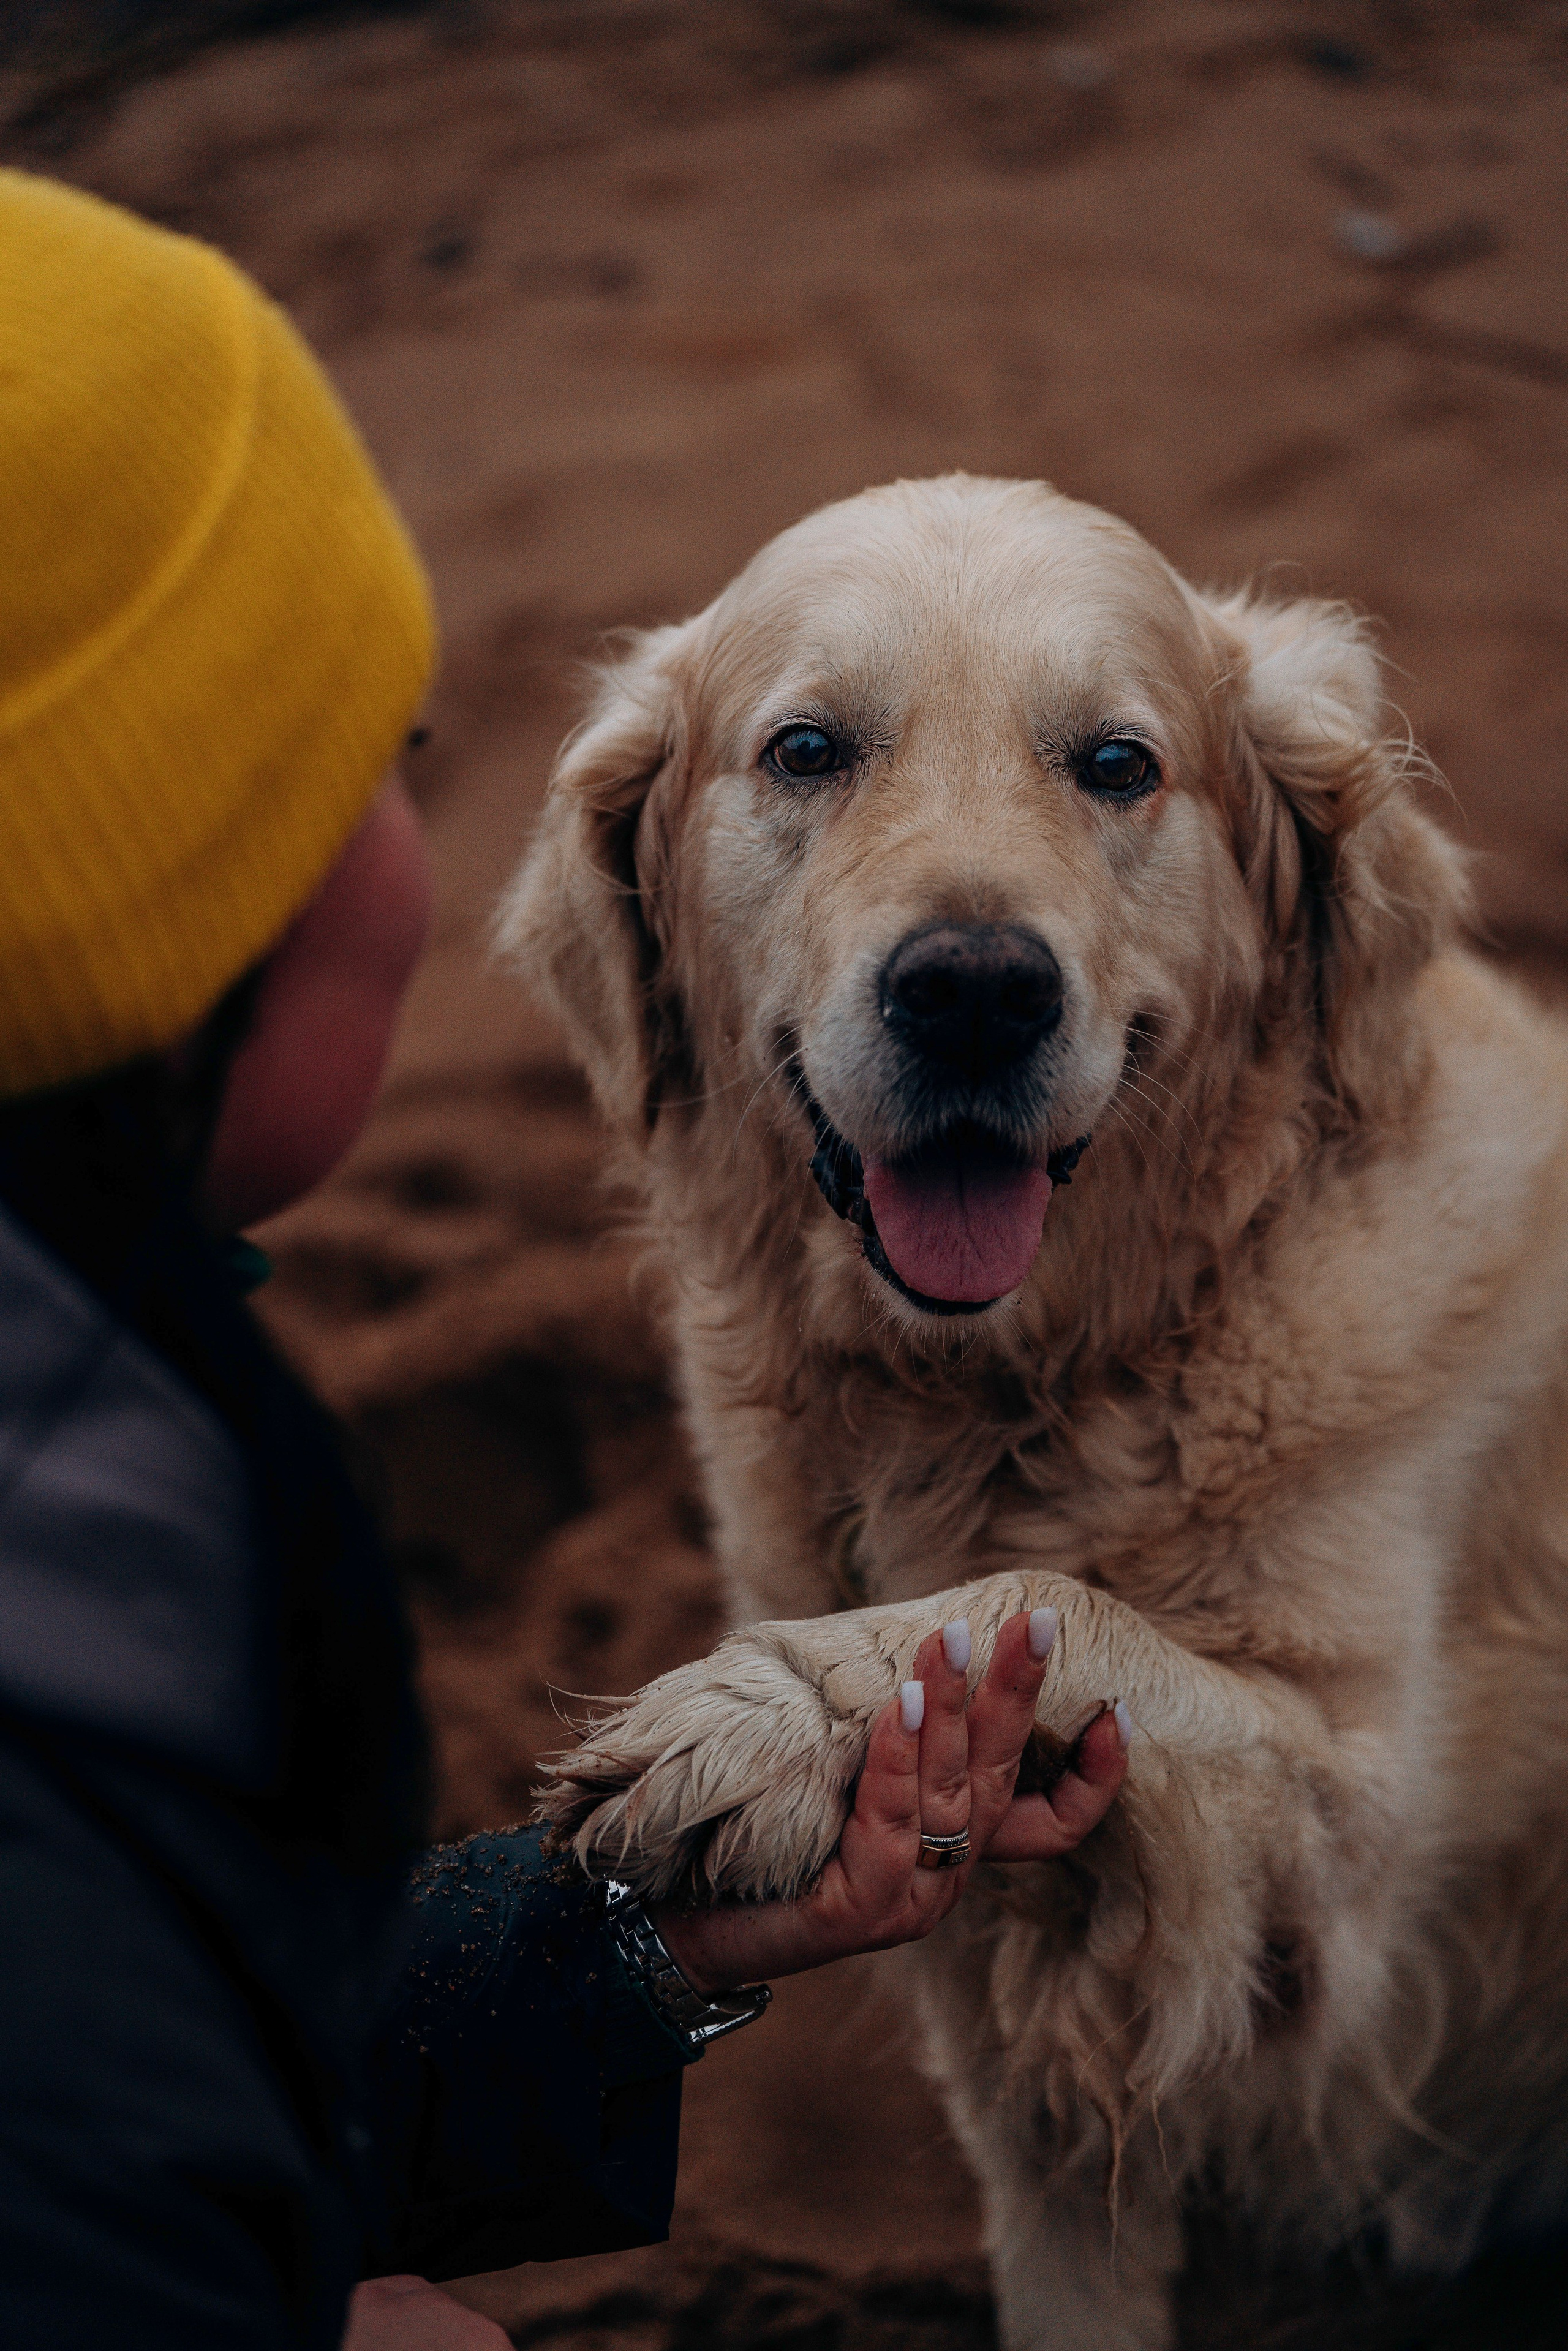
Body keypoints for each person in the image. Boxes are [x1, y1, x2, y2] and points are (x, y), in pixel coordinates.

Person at [0, 169, 1128, 2351]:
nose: (436, 855)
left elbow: (199, 2064)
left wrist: (631, 1947)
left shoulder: (87, 1422)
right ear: (157, 915)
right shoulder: (61, 1682)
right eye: (371, 770)